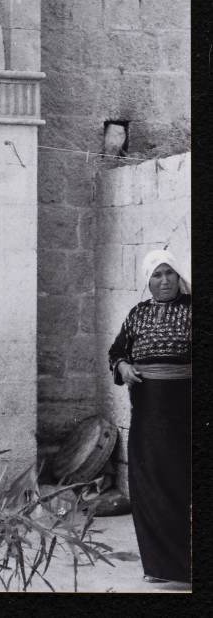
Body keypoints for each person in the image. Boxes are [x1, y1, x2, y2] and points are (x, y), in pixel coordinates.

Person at [108, 249, 191, 585]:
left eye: (169, 273)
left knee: (176, 482)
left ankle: (184, 569)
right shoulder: (137, 313)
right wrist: (123, 366)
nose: (164, 281)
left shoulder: (193, 309)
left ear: (179, 276)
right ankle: (158, 567)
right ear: (148, 281)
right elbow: (116, 352)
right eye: (157, 275)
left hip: (183, 407)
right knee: (147, 484)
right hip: (146, 407)